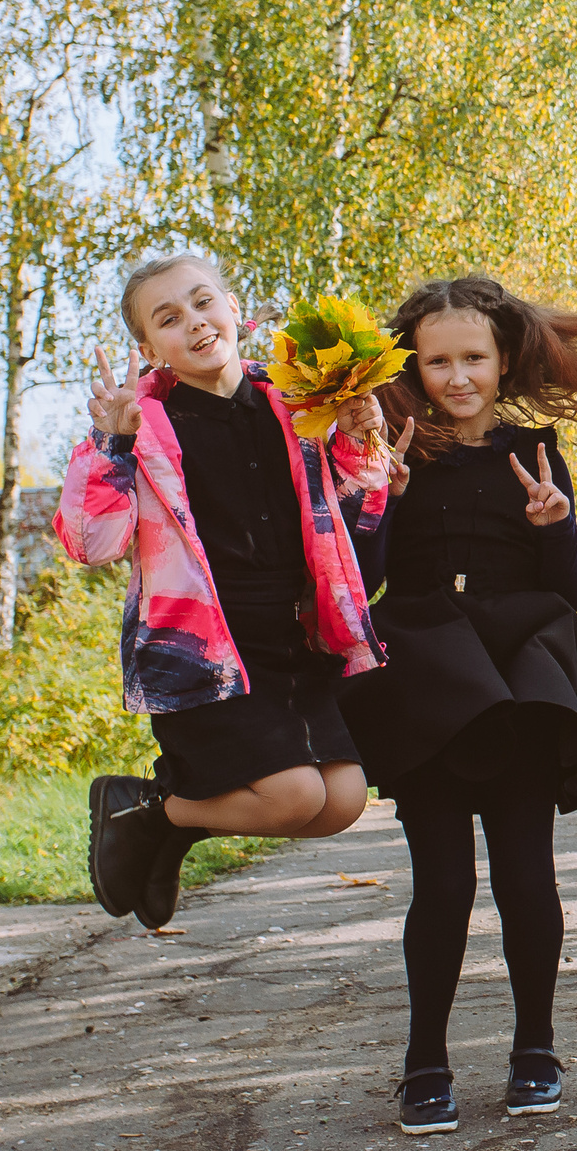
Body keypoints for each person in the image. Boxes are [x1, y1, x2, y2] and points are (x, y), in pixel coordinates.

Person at [345, 277, 577, 1134]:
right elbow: (362, 578)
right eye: (437, 359)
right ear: (412, 364)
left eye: (473, 358)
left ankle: (534, 1048)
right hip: (428, 685)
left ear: (502, 359)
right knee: (442, 883)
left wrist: (553, 521)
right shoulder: (390, 452)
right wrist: (384, 501)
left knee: (527, 876)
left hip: (520, 686)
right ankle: (424, 1063)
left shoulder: (536, 448)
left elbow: (567, 589)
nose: (456, 375)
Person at [56, 255, 389, 934]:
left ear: (236, 308)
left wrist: (358, 433)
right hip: (207, 654)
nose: (195, 323)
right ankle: (147, 808)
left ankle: (166, 823)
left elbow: (357, 495)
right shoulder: (137, 425)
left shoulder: (294, 402)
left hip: (296, 640)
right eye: (169, 319)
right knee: (295, 795)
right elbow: (91, 543)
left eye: (203, 302)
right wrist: (111, 444)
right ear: (150, 350)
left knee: (344, 800)